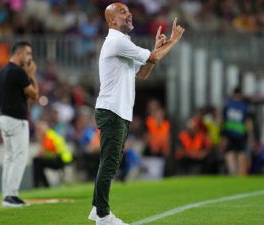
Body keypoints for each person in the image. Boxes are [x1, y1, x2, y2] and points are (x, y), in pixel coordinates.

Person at [88, 3, 185, 225]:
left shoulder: (124, 42)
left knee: (111, 162)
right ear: (112, 20)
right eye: (122, 12)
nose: (129, 13)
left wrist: (156, 48)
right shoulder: (117, 40)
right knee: (110, 163)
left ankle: (97, 208)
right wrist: (173, 42)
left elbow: (143, 73)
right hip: (111, 110)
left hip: (118, 110)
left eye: (128, 10)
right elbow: (154, 58)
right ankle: (103, 216)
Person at [0, 41, 39, 207]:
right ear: (19, 53)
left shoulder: (3, 71)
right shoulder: (18, 72)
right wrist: (32, 75)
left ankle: (7, 195)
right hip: (16, 120)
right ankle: (11, 196)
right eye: (28, 54)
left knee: (9, 158)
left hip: (4, 119)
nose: (30, 58)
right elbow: (34, 95)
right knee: (19, 158)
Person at [221, 87, 253, 176]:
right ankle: (241, 174)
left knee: (229, 152)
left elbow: (222, 120)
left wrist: (222, 135)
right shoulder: (244, 106)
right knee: (241, 153)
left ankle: (232, 171)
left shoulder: (227, 105)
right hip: (241, 133)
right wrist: (251, 136)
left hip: (229, 132)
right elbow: (248, 122)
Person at [33, 120, 73, 187]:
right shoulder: (49, 135)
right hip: (61, 158)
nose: (38, 131)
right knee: (37, 162)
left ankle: (39, 185)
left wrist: (40, 140)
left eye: (40, 129)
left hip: (62, 159)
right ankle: (43, 185)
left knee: (36, 161)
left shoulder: (49, 136)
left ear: (46, 127)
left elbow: (42, 153)